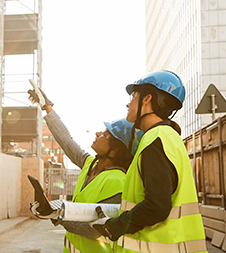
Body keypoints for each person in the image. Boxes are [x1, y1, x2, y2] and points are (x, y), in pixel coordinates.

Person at [92, 70, 207, 253]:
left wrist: (115, 226)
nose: (128, 103)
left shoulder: (155, 140)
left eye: (133, 95)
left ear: (147, 99)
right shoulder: (169, 137)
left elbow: (157, 206)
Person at [27, 86, 142, 253]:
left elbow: (96, 228)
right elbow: (66, 141)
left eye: (105, 134)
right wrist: (47, 107)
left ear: (117, 149)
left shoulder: (118, 181)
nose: (97, 134)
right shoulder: (90, 164)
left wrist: (57, 215)